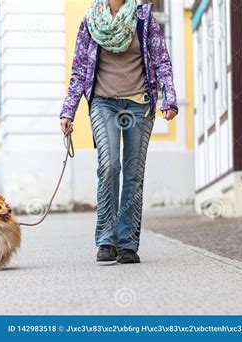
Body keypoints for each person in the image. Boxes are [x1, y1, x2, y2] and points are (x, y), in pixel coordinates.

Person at [59, 0, 178, 264]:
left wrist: (169, 99)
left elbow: (161, 61)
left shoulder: (144, 17)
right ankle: (106, 239)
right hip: (103, 103)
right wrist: (68, 111)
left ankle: (127, 244)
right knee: (109, 164)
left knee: (133, 173)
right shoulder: (91, 20)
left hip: (139, 104)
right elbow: (79, 70)